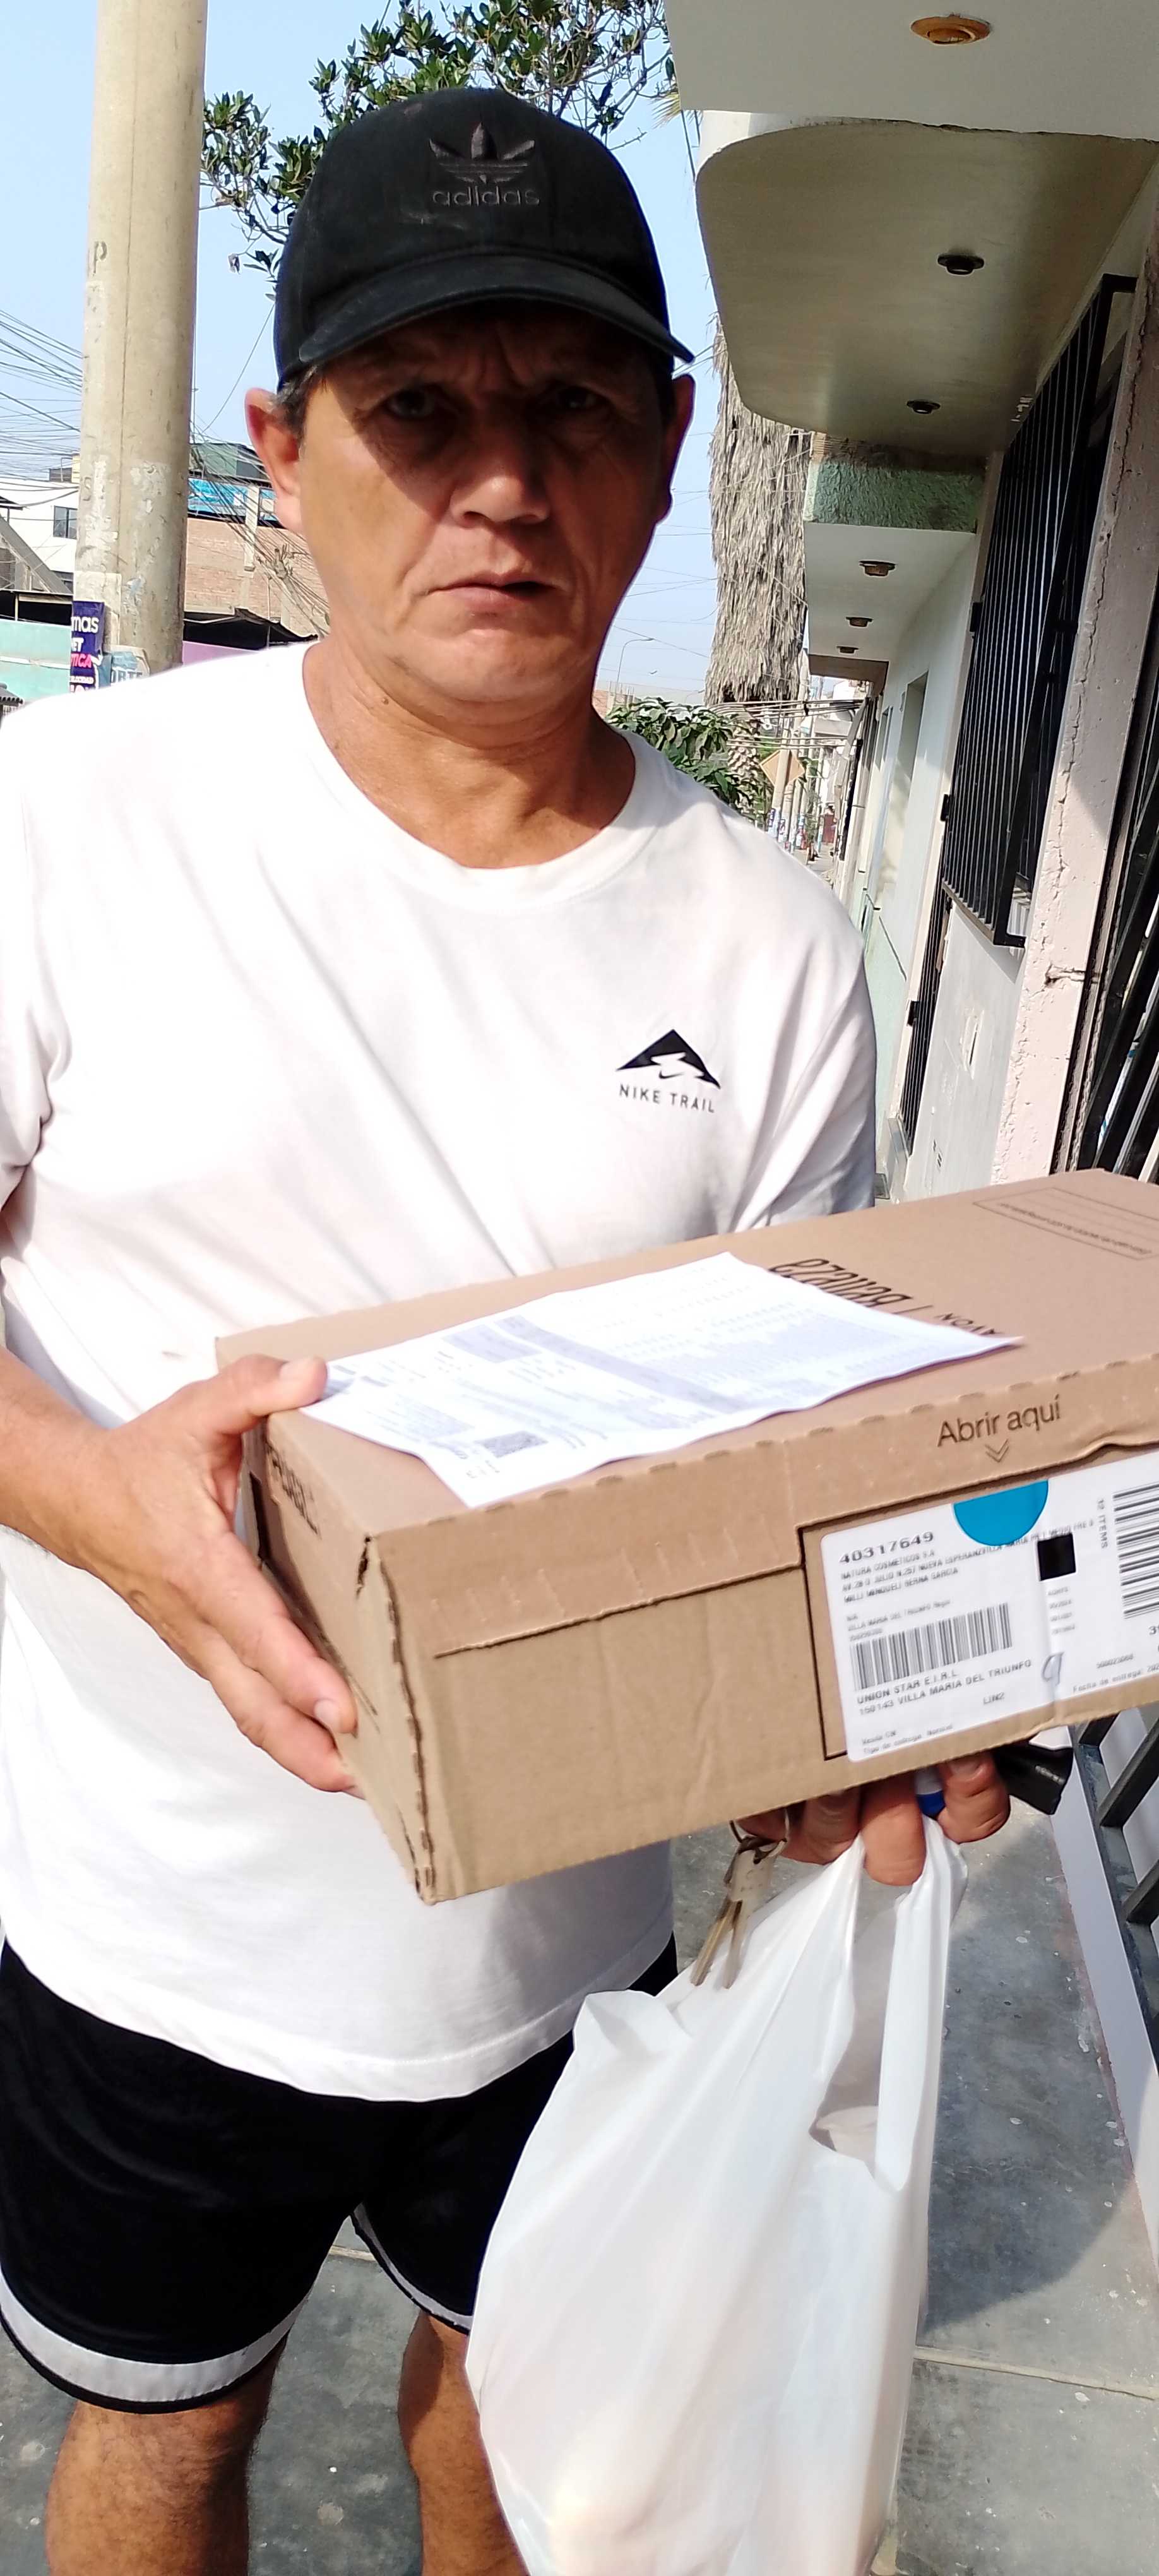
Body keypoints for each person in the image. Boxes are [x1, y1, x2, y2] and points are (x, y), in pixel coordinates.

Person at [0, 88, 1009, 2576]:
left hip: (565, 1940)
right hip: (149, 1923)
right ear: (283, 448)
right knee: (166, 2444)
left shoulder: (764, 938)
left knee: (528, 2431)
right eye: (418, 410)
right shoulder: (67, 814)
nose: (500, 486)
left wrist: (870, 1714)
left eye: (567, 408)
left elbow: (791, 1449)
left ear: (665, 451)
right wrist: (95, 1502)